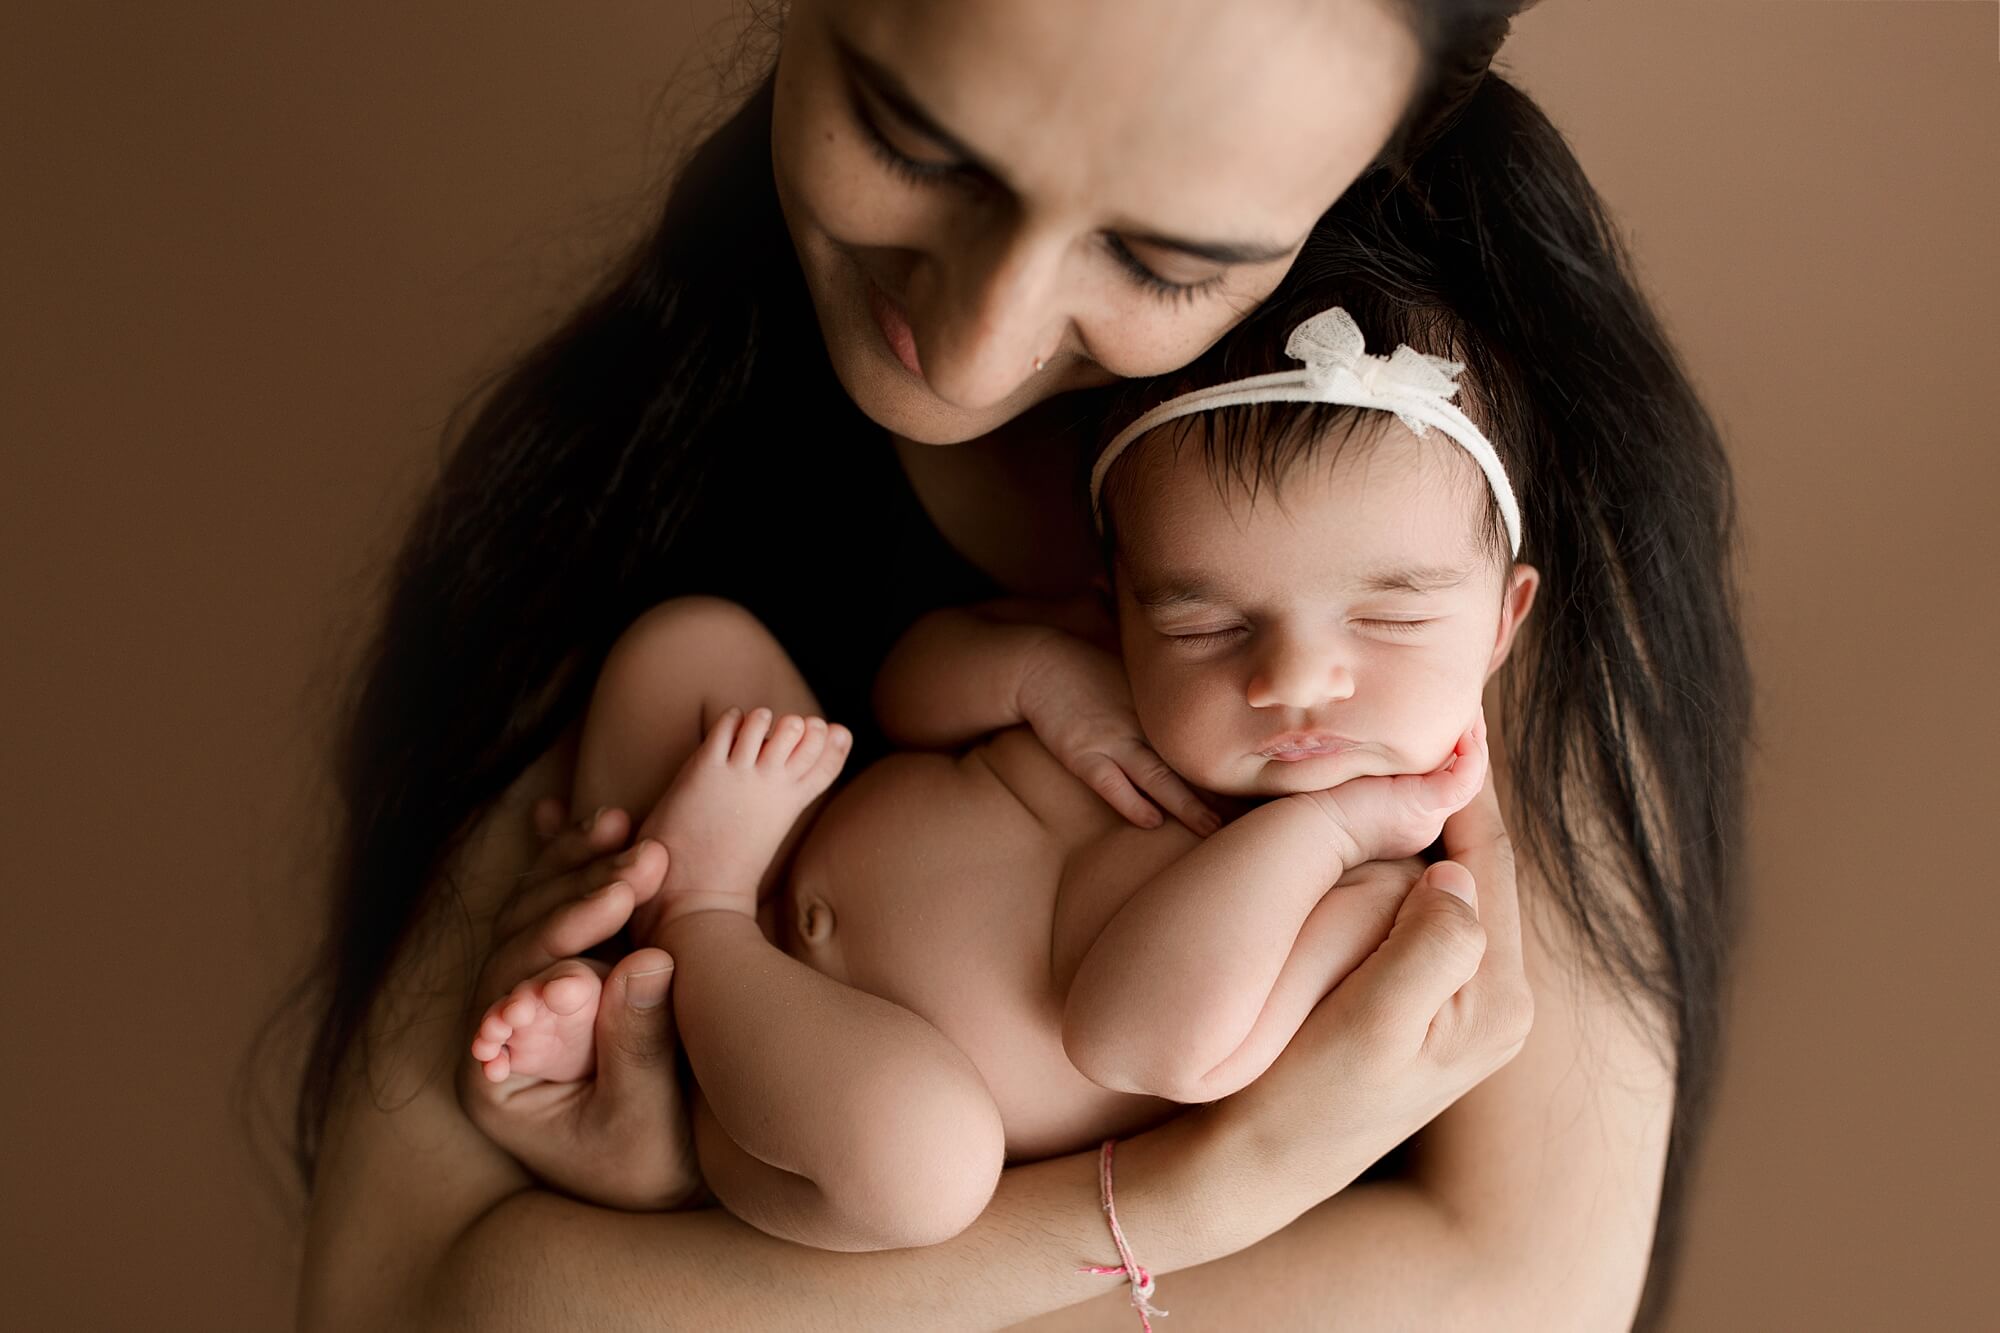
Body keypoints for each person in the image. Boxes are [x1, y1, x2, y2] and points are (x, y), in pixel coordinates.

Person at [295, 1, 1749, 1327]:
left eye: (1168, 260)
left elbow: (1517, 1296)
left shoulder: (1446, 529)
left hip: (858, 1101)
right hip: (754, 990)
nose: (978, 344)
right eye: (911, 139)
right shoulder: (671, 442)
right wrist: (1202, 1206)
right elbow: (406, 1307)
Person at [462, 295, 1537, 1260]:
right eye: (1202, 618)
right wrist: (1031, 678)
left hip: (827, 1099)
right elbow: (902, 696)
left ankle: (679, 1010)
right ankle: (622, 970)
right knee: (688, 646)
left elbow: (1137, 1034)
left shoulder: (1376, 896)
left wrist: (1333, 831)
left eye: (1389, 618)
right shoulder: (1110, 665)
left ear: (1501, 622)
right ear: (1117, 592)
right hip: (792, 837)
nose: (1288, 677)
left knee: (925, 1162)